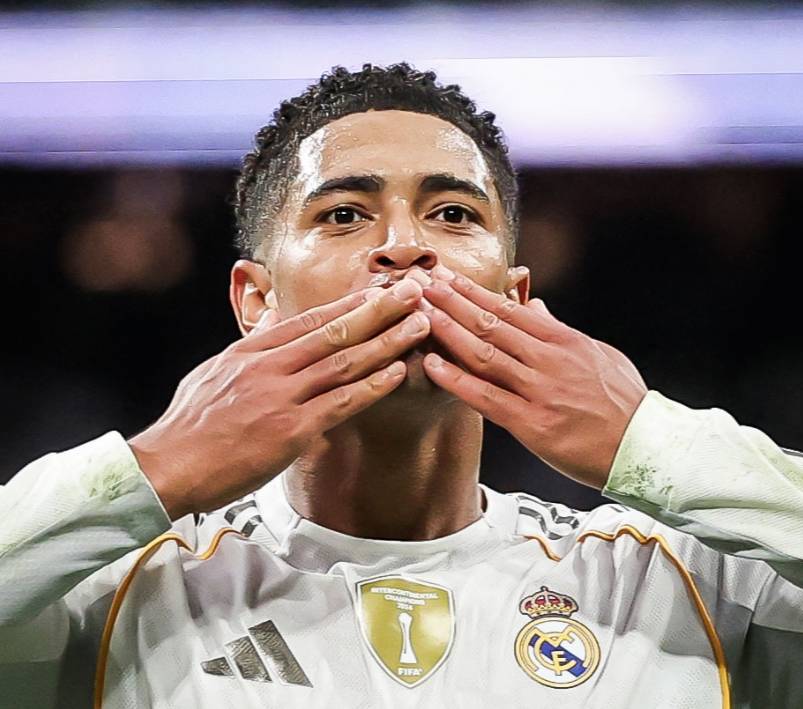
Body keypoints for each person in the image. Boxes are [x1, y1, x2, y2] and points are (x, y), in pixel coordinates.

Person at [1, 63, 801, 709]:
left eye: (453, 214)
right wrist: (150, 469)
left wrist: (650, 443)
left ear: (514, 297)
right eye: (344, 215)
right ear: (255, 301)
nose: (404, 246)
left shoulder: (681, 584)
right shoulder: (109, 592)